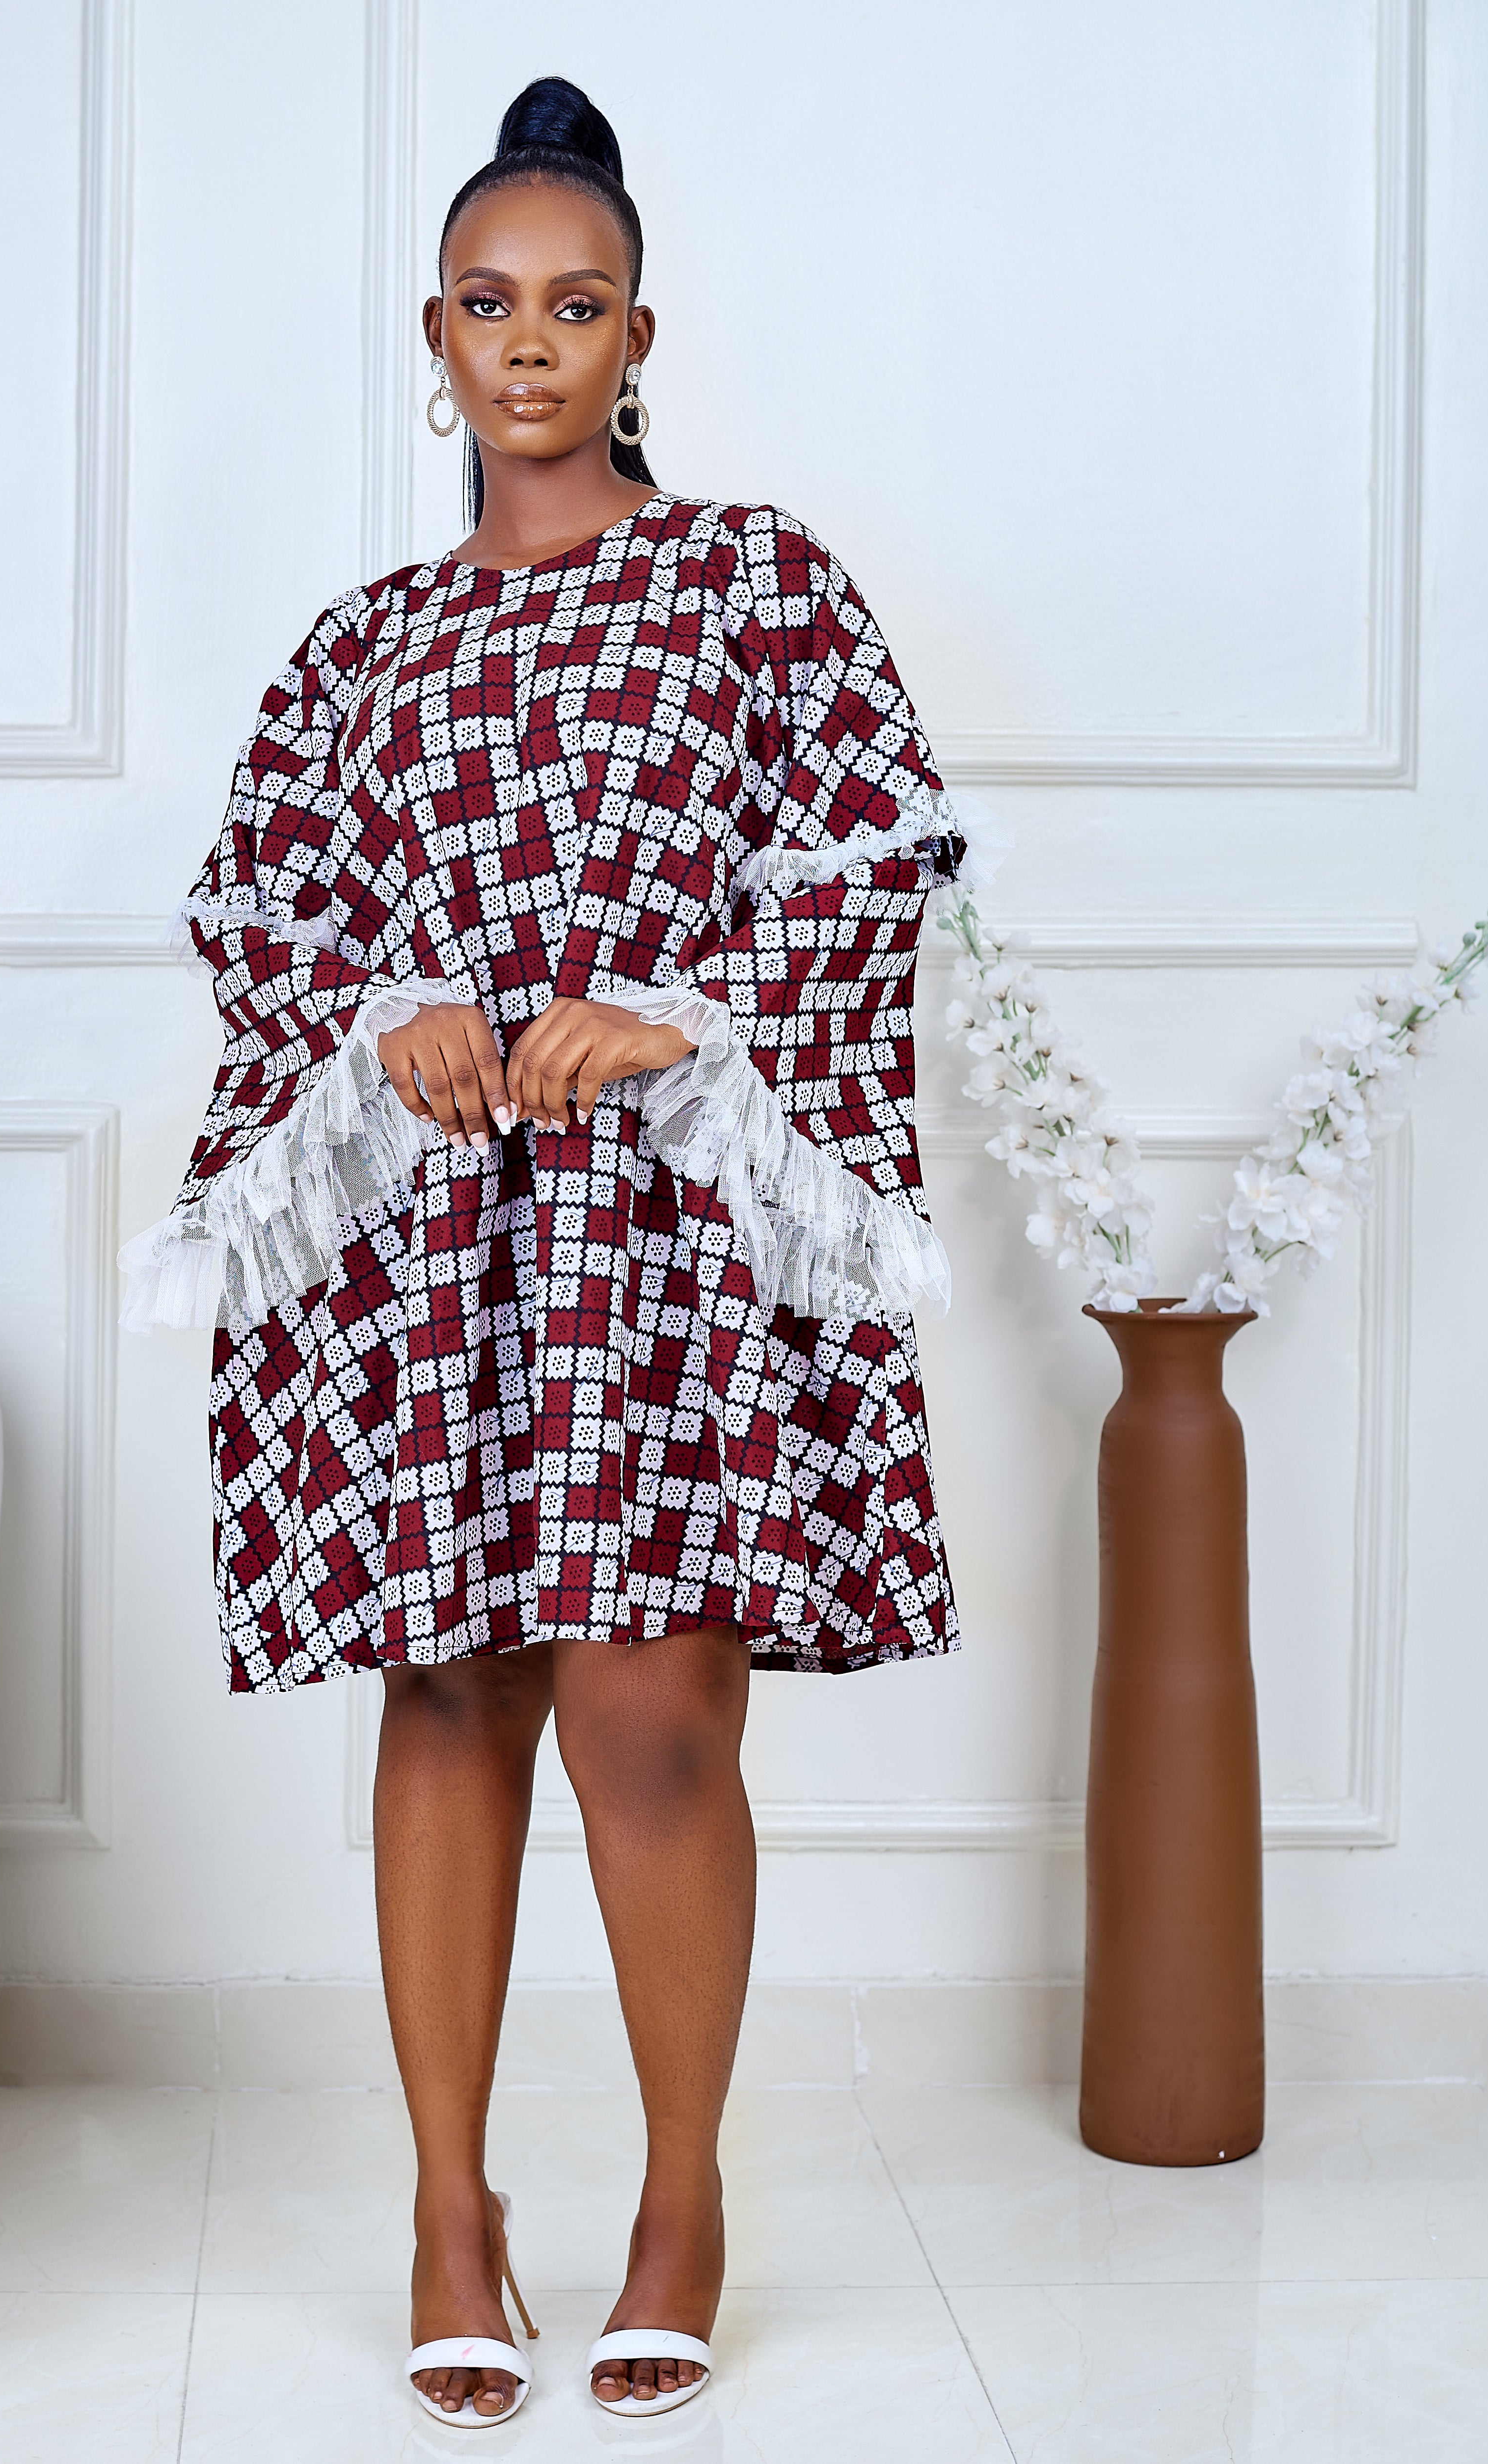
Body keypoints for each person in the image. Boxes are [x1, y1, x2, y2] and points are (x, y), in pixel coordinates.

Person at [121, 74, 962, 2430]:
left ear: (636, 335)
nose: (527, 348)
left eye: (571, 309)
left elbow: (864, 858)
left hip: (667, 1233)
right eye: (488, 307)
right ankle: (447, 2205)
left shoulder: (754, 585)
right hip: (440, 1244)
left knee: (648, 1705)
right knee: (453, 1686)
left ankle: (680, 2193)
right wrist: (387, 1009)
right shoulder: (360, 639)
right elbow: (263, 904)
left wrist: (676, 1009)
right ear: (433, 331)